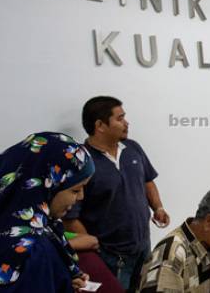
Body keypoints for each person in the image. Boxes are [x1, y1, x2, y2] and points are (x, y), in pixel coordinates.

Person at [63, 96, 170, 293]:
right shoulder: (81, 162)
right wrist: (94, 252)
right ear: (100, 125)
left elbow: (147, 180)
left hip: (143, 250)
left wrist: (158, 207)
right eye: (120, 118)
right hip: (111, 258)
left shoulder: (133, 148)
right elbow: (70, 218)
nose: (126, 123)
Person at [0, 132, 94, 293]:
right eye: (75, 190)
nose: (81, 197)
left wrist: (63, 280)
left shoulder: (39, 227)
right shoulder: (32, 250)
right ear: (47, 186)